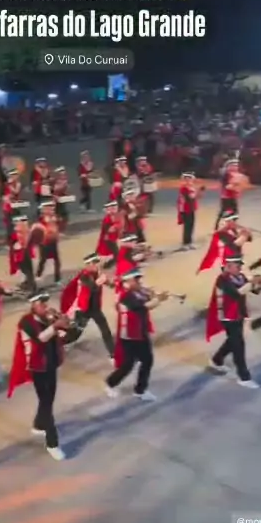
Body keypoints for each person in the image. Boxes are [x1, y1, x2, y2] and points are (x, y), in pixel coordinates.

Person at [8, 291, 77, 461]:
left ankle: (39, 425)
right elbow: (40, 338)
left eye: (45, 303)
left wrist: (66, 326)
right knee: (46, 403)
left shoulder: (48, 319)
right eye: (41, 304)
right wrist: (55, 326)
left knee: (48, 399)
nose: (45, 307)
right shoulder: (26, 322)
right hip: (37, 367)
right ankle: (52, 444)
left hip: (51, 364)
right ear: (33, 305)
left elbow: (65, 337)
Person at [105, 268, 169, 402]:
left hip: (140, 332)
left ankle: (140, 390)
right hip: (130, 335)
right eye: (136, 279)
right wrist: (159, 299)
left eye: (139, 279)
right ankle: (110, 383)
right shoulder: (125, 296)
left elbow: (147, 297)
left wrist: (156, 294)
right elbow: (144, 306)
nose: (140, 281)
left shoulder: (137, 292)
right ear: (128, 281)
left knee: (147, 360)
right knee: (128, 364)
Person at [206, 255, 261, 387]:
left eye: (240, 265)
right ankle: (244, 377)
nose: (240, 268)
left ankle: (217, 360)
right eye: (238, 266)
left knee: (233, 340)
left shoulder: (240, 277)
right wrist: (251, 283)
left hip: (238, 314)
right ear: (229, 266)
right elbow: (236, 293)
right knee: (238, 345)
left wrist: (257, 284)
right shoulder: (222, 279)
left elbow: (255, 291)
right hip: (227, 316)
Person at [60, 253, 115, 358]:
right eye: (95, 263)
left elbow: (111, 285)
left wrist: (113, 282)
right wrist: (101, 280)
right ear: (89, 264)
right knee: (75, 333)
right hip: (84, 310)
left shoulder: (98, 274)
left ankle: (113, 353)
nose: (97, 265)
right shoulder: (84, 276)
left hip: (95, 309)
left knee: (105, 330)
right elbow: (92, 287)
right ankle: (60, 344)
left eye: (97, 262)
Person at [9, 215, 36, 293]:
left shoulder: (19, 232)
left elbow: (16, 244)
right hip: (26, 252)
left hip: (21, 253)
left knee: (26, 270)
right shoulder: (27, 230)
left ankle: (31, 287)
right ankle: (29, 284)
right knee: (28, 270)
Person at [177, 172, 204, 250]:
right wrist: (197, 192)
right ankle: (185, 243)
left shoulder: (192, 188)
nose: (188, 181)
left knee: (191, 226)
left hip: (191, 208)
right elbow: (190, 198)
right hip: (186, 209)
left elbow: (197, 197)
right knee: (187, 226)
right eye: (186, 179)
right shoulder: (184, 188)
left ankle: (189, 242)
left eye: (189, 179)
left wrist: (200, 191)